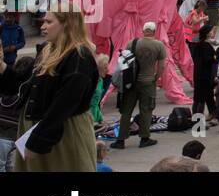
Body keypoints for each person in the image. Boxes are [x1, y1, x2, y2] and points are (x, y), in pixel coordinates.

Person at [0, 11, 99, 172]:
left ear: (67, 24)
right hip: (38, 129)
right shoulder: (47, 50)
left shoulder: (79, 56)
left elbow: (65, 104)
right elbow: (21, 86)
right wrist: (2, 66)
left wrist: (37, 140)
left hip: (62, 133)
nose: (43, 26)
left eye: (48, 22)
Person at [112, 20, 168, 150]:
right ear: (154, 32)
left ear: (143, 31)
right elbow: (161, 66)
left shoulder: (132, 43)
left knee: (126, 111)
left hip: (130, 83)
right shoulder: (159, 45)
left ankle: (120, 140)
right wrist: (155, 78)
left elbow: (124, 62)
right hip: (148, 81)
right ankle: (144, 138)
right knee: (146, 110)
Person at [189, 25, 217, 120]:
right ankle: (197, 119)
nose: (213, 32)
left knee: (207, 95)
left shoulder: (200, 45)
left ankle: (213, 113)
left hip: (199, 74)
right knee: (200, 98)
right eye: (212, 31)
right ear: (207, 33)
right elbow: (207, 60)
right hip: (204, 76)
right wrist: (214, 59)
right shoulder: (205, 46)